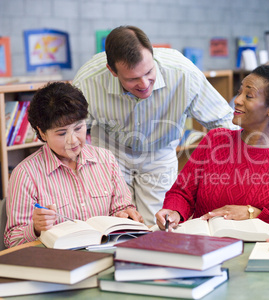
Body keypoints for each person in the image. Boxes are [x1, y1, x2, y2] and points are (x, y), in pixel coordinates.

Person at [73, 26, 237, 225]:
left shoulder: (183, 73)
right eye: (132, 79)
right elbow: (71, 132)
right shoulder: (88, 81)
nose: (144, 84)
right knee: (114, 222)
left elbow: (223, 122)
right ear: (112, 71)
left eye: (149, 72)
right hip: (111, 151)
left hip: (159, 151)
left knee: (159, 222)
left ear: (152, 54)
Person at [155, 65, 269, 230]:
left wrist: (254, 213)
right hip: (206, 247)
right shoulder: (215, 141)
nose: (237, 100)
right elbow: (181, 193)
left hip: (261, 250)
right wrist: (174, 212)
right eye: (239, 92)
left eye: (249, 96)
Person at [4, 82, 143, 248]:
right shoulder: (25, 174)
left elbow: (122, 207)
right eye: (62, 133)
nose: (73, 140)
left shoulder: (105, 159)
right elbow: (12, 240)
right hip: (58, 262)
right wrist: (35, 228)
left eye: (78, 128)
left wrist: (126, 215)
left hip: (104, 251)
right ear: (42, 132)